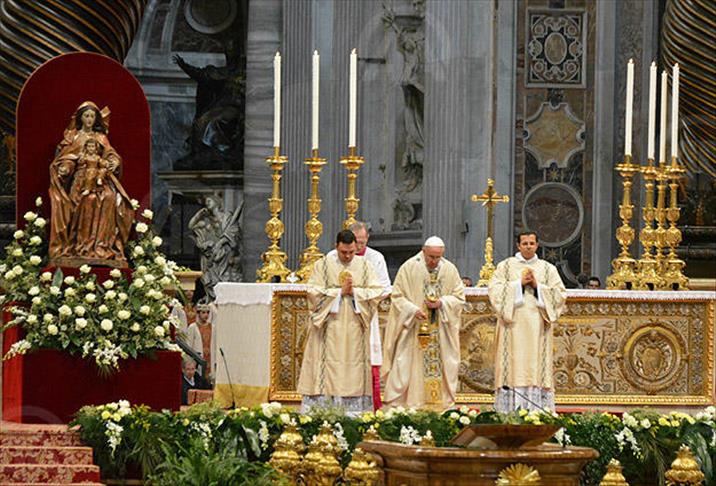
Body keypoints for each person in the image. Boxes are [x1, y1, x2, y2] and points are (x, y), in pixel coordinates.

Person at [297, 230, 384, 414]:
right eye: (344, 252)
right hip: (328, 326)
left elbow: (377, 292)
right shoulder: (323, 265)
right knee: (326, 367)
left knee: (353, 366)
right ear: (336, 246)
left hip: (355, 327)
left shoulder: (365, 266)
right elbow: (313, 292)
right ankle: (323, 410)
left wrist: (354, 293)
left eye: (352, 252)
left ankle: (353, 412)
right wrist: (339, 293)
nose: (348, 256)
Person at [382, 236, 465, 409]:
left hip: (441, 332)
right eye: (431, 257)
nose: (434, 261)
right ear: (423, 251)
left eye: (438, 257)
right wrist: (413, 310)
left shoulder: (450, 270)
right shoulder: (409, 267)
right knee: (406, 366)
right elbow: (397, 296)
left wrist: (442, 303)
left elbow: (459, 297)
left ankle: (441, 406)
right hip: (414, 329)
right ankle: (412, 405)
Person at [488, 231, 566, 412]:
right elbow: (494, 292)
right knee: (512, 366)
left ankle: (537, 412)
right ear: (518, 245)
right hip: (512, 325)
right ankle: (509, 411)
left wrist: (537, 286)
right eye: (525, 243)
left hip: (538, 325)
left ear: (537, 245)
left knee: (535, 367)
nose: (528, 247)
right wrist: (519, 284)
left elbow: (559, 295)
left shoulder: (547, 268)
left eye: (532, 243)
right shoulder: (505, 266)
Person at [49, 101, 134, 264]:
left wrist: (114, 162)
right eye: (86, 116)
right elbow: (67, 158)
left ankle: (101, 245)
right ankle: (81, 246)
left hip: (100, 181)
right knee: (88, 200)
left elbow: (110, 154)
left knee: (109, 197)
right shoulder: (74, 137)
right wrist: (65, 168)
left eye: (92, 116)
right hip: (80, 181)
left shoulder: (101, 137)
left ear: (96, 119)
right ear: (80, 118)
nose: (89, 119)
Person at [327, 221, 390, 410]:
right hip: (336, 319)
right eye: (357, 242)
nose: (359, 247)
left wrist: (356, 294)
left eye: (363, 242)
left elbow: (383, 288)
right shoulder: (329, 259)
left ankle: (361, 405)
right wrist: (340, 293)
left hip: (362, 317)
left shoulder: (374, 259)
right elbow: (317, 292)